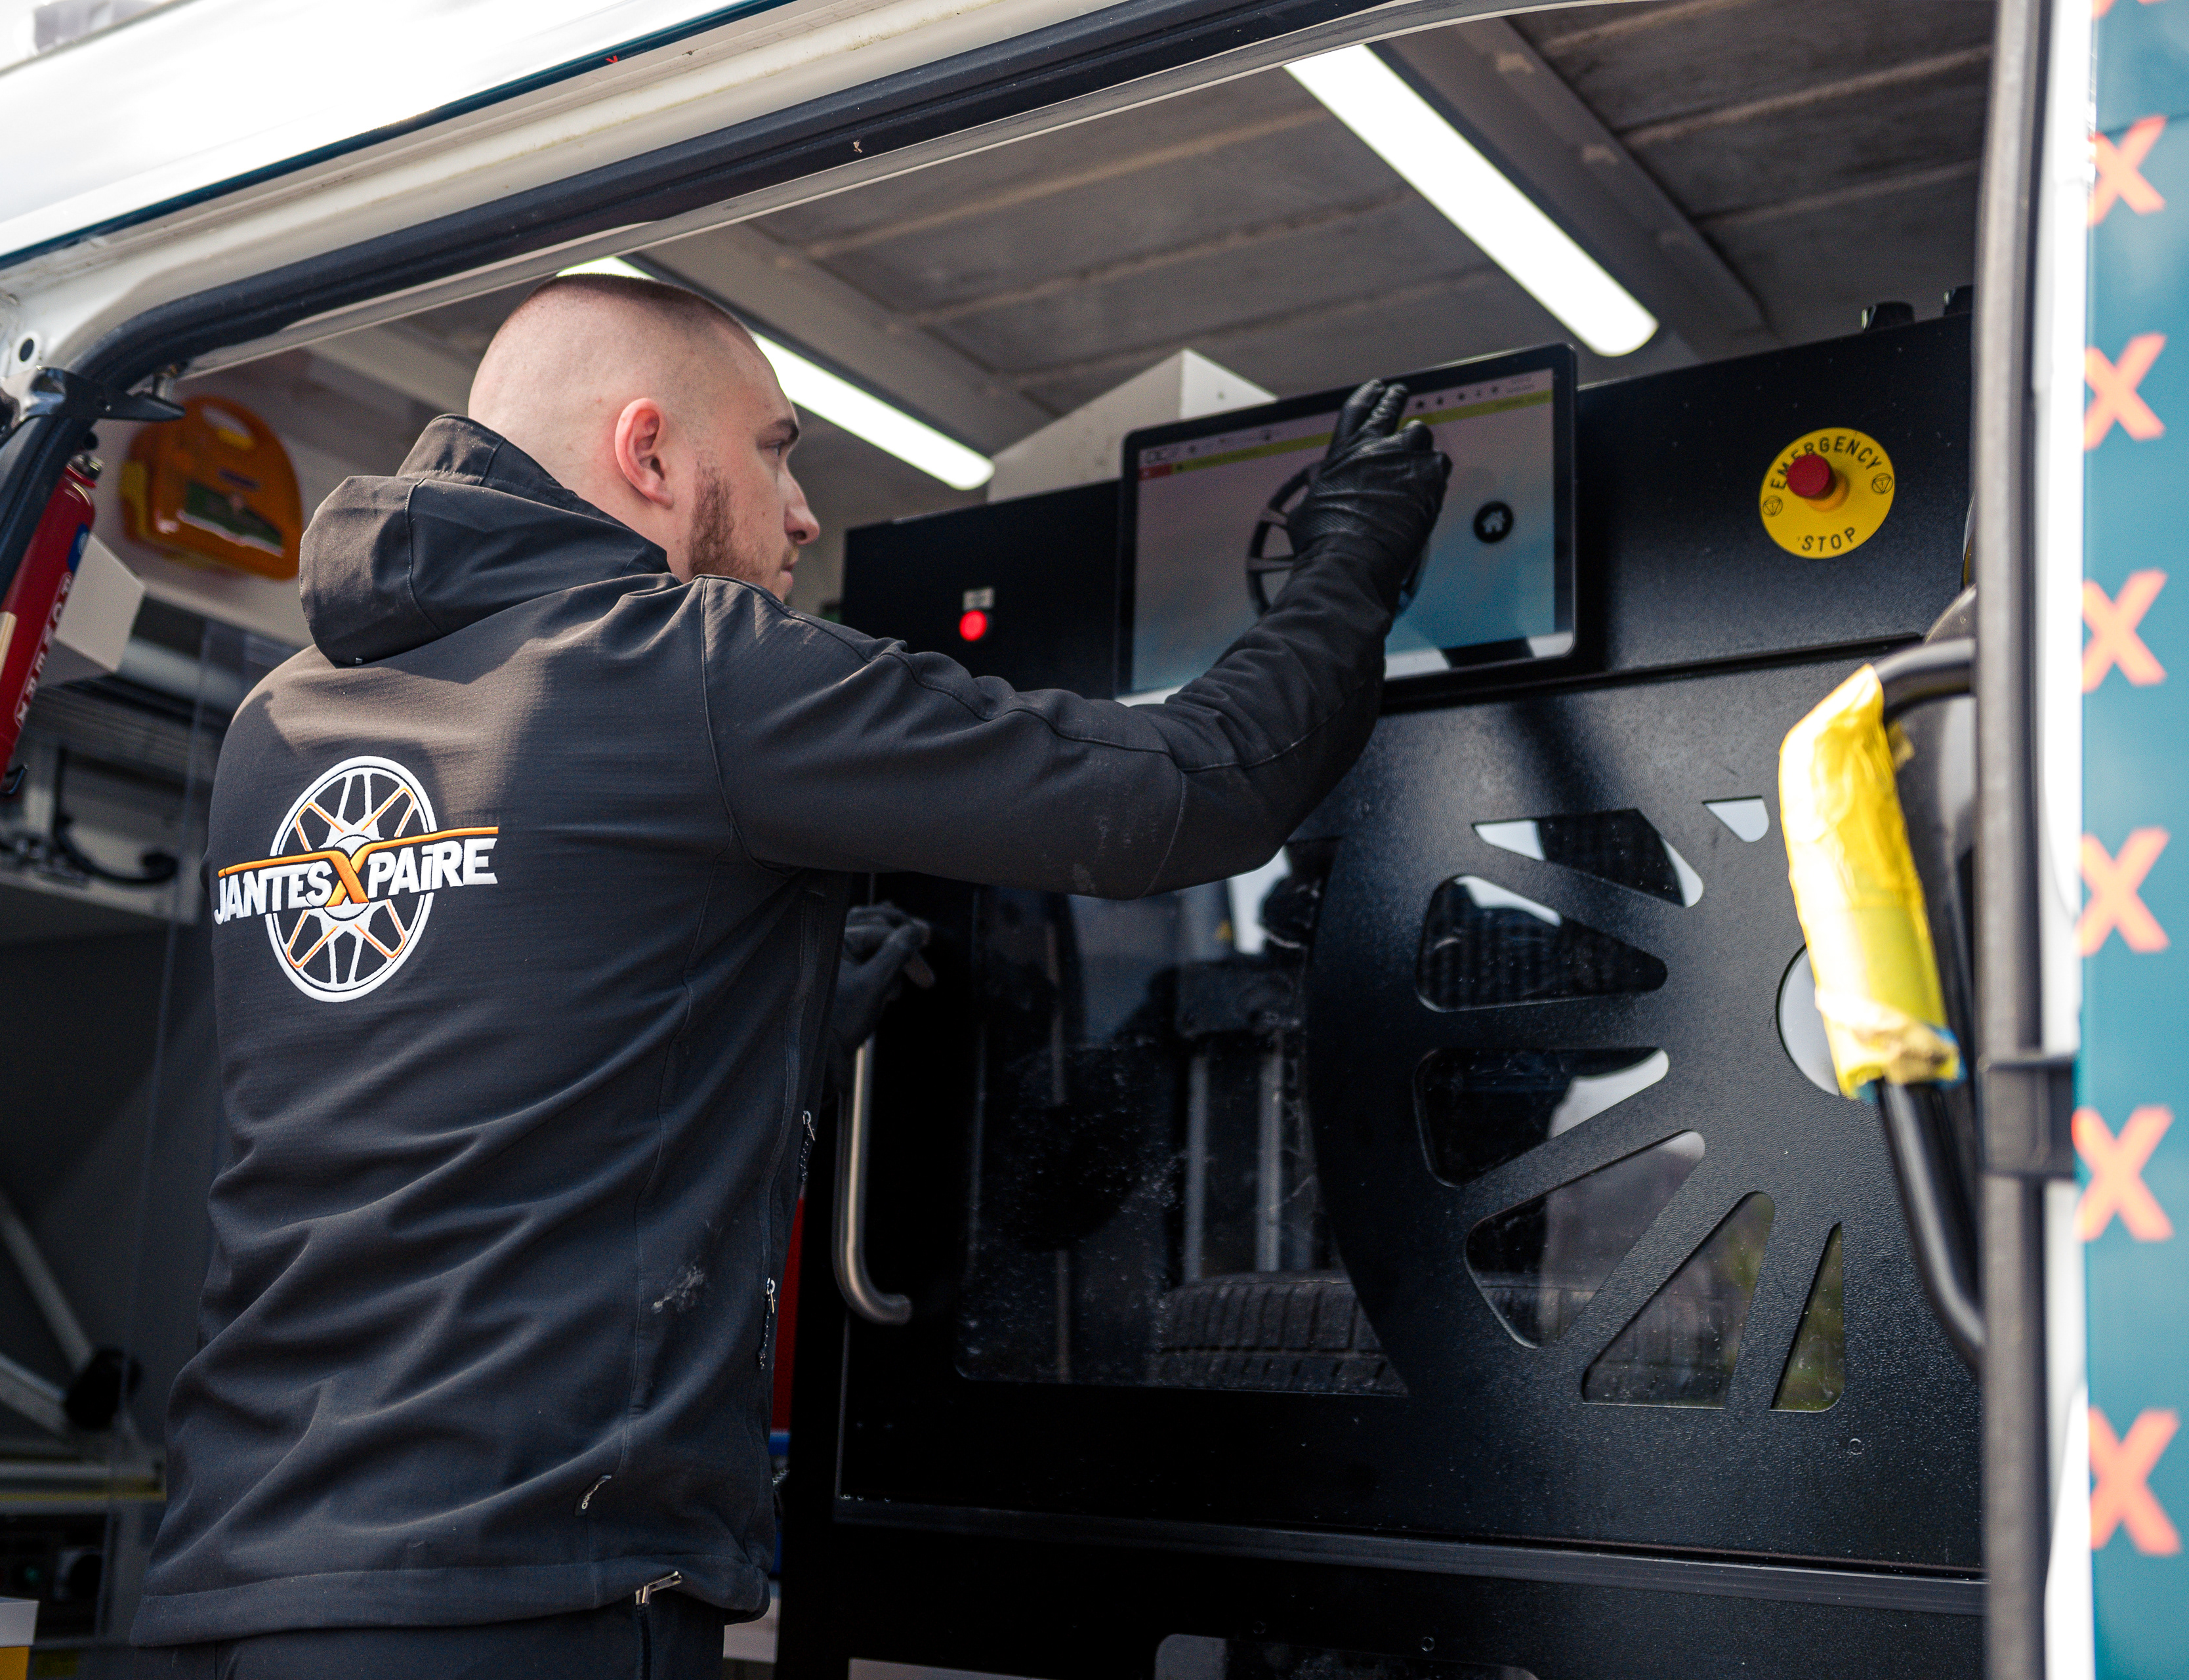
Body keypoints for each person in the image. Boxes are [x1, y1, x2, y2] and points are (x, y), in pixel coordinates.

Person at [131, 273, 1448, 1677]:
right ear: (648, 452)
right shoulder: (691, 662)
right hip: (521, 1591)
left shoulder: (282, 725)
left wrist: (784, 1028)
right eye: (774, 452)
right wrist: (1349, 562)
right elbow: (1190, 791)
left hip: (228, 1578)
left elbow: (468, 1080)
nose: (805, 513)